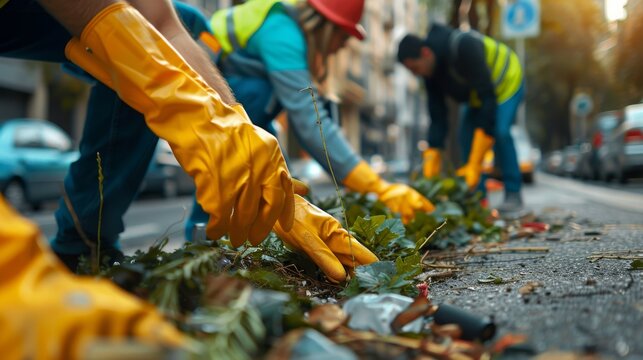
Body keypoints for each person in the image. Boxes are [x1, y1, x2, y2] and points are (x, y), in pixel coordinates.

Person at [0, 0, 377, 352]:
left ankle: (82, 243)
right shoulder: (282, 32)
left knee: (173, 23)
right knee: (132, 40)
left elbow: (163, 24)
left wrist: (239, 141)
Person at [185, 0, 435, 239]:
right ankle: (203, 238)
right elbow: (310, 121)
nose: (343, 46)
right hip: (199, 95)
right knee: (259, 101)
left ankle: (221, 236)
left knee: (272, 163)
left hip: (228, 94)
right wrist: (376, 187)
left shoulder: (286, 27)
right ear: (326, 27)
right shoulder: (282, 33)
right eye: (343, 36)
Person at [397, 23, 525, 213]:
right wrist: (431, 167)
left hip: (507, 80)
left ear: (425, 53)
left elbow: (487, 98)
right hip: (479, 96)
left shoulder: (463, 45)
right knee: (464, 136)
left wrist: (475, 163)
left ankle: (513, 193)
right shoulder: (430, 74)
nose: (417, 74)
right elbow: (437, 117)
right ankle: (477, 200)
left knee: (500, 131)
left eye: (415, 68)